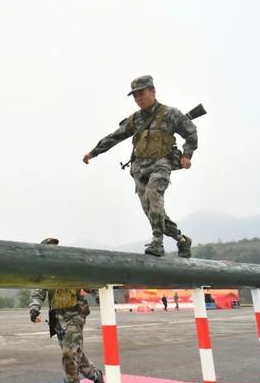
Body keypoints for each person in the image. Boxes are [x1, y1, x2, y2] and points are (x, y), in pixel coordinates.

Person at [82, 75, 198, 258]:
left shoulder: (170, 114)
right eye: (135, 96)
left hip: (161, 163)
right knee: (152, 211)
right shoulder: (134, 119)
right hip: (139, 169)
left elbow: (191, 133)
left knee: (154, 194)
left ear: (152, 91)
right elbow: (115, 136)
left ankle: (157, 243)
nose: (138, 99)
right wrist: (94, 152)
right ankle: (182, 239)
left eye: (141, 93)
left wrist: (186, 155)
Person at [29, 238, 107, 383]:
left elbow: (89, 283)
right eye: (49, 249)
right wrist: (34, 307)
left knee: (69, 354)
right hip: (58, 320)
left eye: (55, 248)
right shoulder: (45, 272)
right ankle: (96, 376)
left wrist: (101, 296)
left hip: (75, 315)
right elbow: (38, 291)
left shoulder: (71, 267)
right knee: (77, 356)